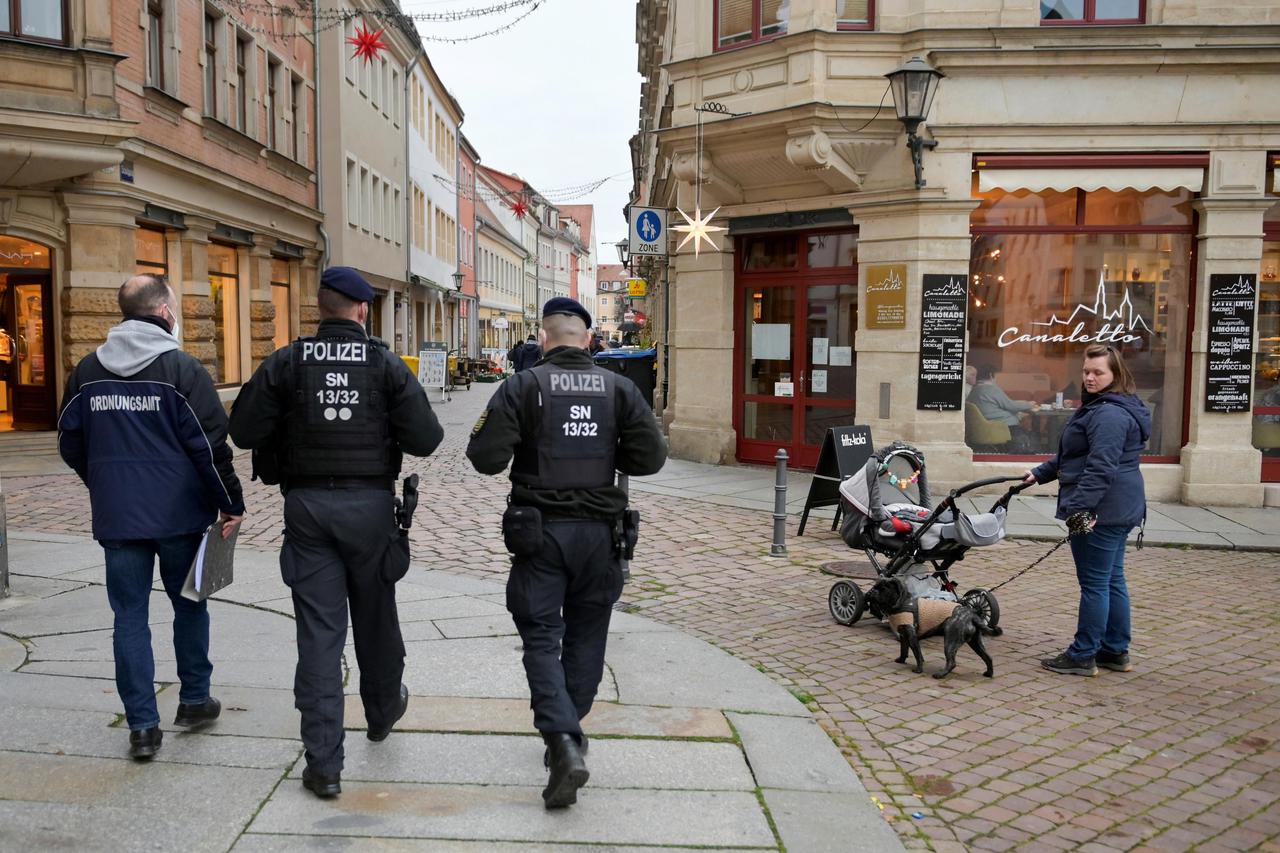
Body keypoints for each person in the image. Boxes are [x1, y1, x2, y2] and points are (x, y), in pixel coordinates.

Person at [228, 266, 443, 798]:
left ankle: (324, 763)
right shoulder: (384, 363)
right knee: (376, 617)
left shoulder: (287, 361)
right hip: (370, 507)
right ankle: (383, 708)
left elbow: (242, 430)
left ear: (319, 308)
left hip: (307, 508)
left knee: (320, 636)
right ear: (363, 310)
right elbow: (427, 438)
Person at [466, 297, 667, 809]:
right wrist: (608, 449)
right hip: (600, 535)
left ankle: (562, 741)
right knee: (587, 637)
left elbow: (485, 458)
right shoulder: (619, 388)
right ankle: (569, 737)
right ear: (588, 338)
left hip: (541, 534)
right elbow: (651, 458)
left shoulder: (523, 386)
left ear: (544, 337)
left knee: (540, 636)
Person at [57, 274, 244, 760]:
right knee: (190, 604)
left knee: (128, 618)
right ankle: (195, 699)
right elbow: (210, 447)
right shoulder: (181, 370)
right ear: (163, 312)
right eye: (176, 308)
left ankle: (142, 726)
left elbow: (68, 441)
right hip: (181, 516)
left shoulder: (86, 372)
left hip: (119, 518)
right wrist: (231, 502)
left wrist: (102, 481)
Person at [1023, 343, 1150, 677]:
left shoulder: (1108, 413)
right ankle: (1114, 651)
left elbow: (1100, 467)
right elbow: (1076, 455)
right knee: (1111, 579)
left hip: (1103, 509)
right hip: (1118, 505)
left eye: (1098, 372)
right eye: (1086, 371)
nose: (1090, 378)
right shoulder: (1109, 406)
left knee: (1096, 583)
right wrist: (1040, 473)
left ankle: (1083, 654)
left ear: (1115, 374)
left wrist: (1080, 510)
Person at [968, 364, 1037, 451]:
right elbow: (1011, 405)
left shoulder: (975, 390)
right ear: (991, 375)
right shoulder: (991, 389)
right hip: (1002, 426)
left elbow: (1003, 404)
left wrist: (1020, 410)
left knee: (1021, 416)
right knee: (1027, 432)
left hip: (986, 425)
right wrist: (1029, 404)